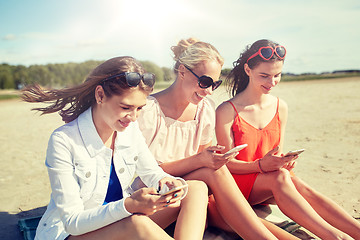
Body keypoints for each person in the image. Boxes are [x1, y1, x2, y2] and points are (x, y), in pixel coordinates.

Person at [21, 56, 209, 240]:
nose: (134, 117)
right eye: (126, 107)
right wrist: (129, 205)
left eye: (139, 108)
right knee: (137, 223)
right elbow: (72, 222)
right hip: (73, 233)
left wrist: (167, 183)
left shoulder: (130, 129)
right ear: (100, 95)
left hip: (121, 221)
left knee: (195, 189)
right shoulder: (63, 140)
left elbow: (151, 172)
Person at [138, 38, 300, 239]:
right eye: (205, 82)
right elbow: (141, 173)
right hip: (152, 196)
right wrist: (202, 160)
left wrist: (210, 159)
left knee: (233, 213)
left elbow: (202, 163)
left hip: (189, 191)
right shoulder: (147, 111)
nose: (208, 91)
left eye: (215, 84)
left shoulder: (205, 109)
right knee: (215, 176)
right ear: (182, 72)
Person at [215, 39, 360, 240]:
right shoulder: (226, 111)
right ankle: (334, 237)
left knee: (296, 182)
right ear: (247, 70)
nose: (272, 82)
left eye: (277, 75)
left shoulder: (280, 106)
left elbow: (277, 154)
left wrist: (284, 161)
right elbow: (225, 166)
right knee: (281, 178)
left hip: (269, 181)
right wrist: (261, 165)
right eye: (264, 76)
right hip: (237, 186)